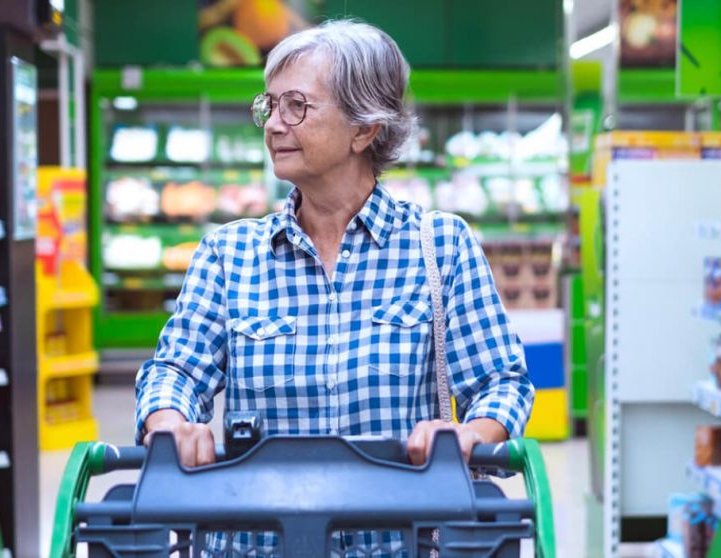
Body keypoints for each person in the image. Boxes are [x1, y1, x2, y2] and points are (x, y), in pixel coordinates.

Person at [135, 19, 534, 546]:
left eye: (296, 106)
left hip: (399, 543)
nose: (274, 125)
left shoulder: (440, 247)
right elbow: (175, 370)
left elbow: (501, 382)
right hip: (256, 544)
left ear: (364, 129)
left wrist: (468, 435)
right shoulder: (229, 255)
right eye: (268, 106)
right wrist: (169, 421)